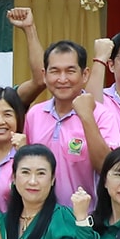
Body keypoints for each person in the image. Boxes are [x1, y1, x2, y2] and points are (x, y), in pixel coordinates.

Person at [23, 41, 102, 202]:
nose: (62, 79)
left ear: (85, 74)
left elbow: (107, 168)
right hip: (41, 217)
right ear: (44, 75)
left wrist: (86, 117)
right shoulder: (34, 114)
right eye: (55, 71)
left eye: (70, 71)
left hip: (85, 218)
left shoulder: (101, 114)